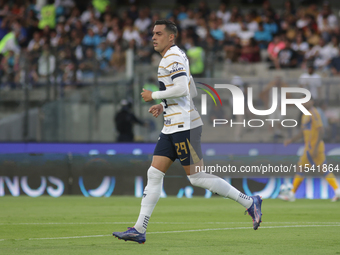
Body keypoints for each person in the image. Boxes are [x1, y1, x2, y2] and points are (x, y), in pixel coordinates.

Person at [112, 20, 263, 244]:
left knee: (197, 177)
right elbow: (190, 89)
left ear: (171, 37)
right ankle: (139, 229)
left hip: (184, 126)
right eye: (153, 33)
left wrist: (154, 96)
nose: (154, 37)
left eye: (159, 33)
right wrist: (165, 105)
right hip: (172, 124)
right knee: (154, 174)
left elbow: (182, 88)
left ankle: (249, 202)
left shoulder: (172, 57)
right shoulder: (175, 56)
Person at [281, 97, 340, 202]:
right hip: (311, 146)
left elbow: (321, 130)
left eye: (306, 101)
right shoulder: (305, 115)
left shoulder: (314, 113)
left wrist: (316, 147)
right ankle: (337, 190)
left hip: (313, 147)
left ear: (312, 102)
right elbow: (302, 133)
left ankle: (291, 194)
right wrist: (291, 140)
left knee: (301, 168)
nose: (304, 103)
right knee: (323, 170)